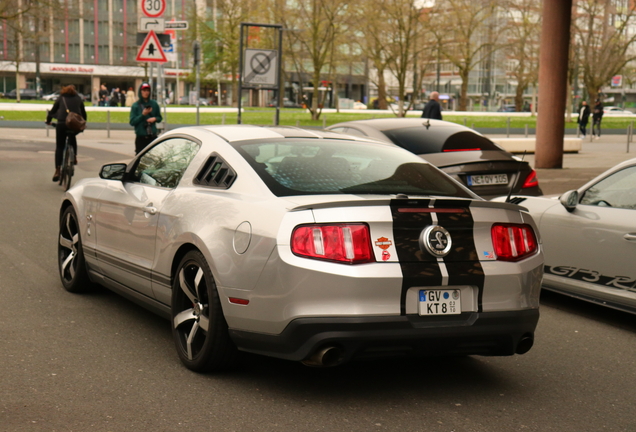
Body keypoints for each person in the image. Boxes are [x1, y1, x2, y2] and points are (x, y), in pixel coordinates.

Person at [45, 84, 87, 181]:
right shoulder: (78, 99)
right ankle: (74, 157)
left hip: (62, 124)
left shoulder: (61, 98)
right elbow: (84, 113)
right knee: (72, 138)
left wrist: (48, 120)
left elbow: (52, 111)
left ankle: (57, 170)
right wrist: (83, 124)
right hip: (74, 124)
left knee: (60, 146)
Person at [129, 82, 162, 155]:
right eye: (144, 91)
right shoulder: (136, 106)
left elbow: (159, 118)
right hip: (141, 137)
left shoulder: (154, 104)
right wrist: (142, 115)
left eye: (147, 90)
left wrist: (155, 119)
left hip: (152, 136)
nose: (146, 92)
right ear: (140, 92)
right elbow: (132, 122)